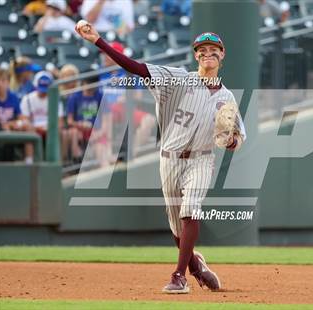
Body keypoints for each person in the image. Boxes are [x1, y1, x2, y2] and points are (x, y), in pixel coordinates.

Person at [76, 22, 246, 293]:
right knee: (178, 229)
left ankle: (179, 276)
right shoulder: (176, 79)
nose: (207, 54)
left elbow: (237, 139)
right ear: (196, 56)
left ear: (222, 54)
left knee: (190, 210)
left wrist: (230, 140)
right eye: (202, 50)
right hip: (169, 159)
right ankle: (196, 266)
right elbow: (136, 68)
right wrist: (99, 41)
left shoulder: (227, 99)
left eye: (213, 49)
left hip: (201, 159)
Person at [20, 71, 64, 163]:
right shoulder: (27, 99)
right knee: (28, 129)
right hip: (33, 128)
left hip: (50, 128)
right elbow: (24, 120)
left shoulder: (56, 99)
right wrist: (36, 128)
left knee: (59, 131)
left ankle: (58, 163)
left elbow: (60, 122)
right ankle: (29, 162)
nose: (43, 92)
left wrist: (50, 128)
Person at [66, 76, 110, 167]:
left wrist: (99, 134)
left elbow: (106, 122)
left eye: (93, 85)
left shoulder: (100, 96)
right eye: (88, 84)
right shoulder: (74, 97)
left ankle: (104, 170)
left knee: (101, 150)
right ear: (83, 83)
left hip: (96, 131)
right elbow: (69, 121)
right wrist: (80, 124)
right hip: (79, 131)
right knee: (73, 133)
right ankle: (77, 163)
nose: (90, 88)